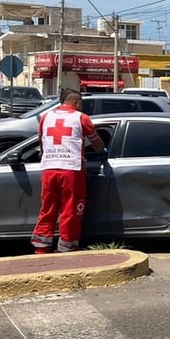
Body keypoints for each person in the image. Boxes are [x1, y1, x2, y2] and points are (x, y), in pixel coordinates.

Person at [31, 89, 106, 254]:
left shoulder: (45, 117)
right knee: (70, 210)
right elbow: (98, 144)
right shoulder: (81, 118)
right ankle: (66, 247)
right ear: (76, 103)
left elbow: (42, 143)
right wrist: (102, 149)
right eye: (81, 104)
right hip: (71, 170)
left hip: (49, 169)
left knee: (47, 209)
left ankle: (41, 247)